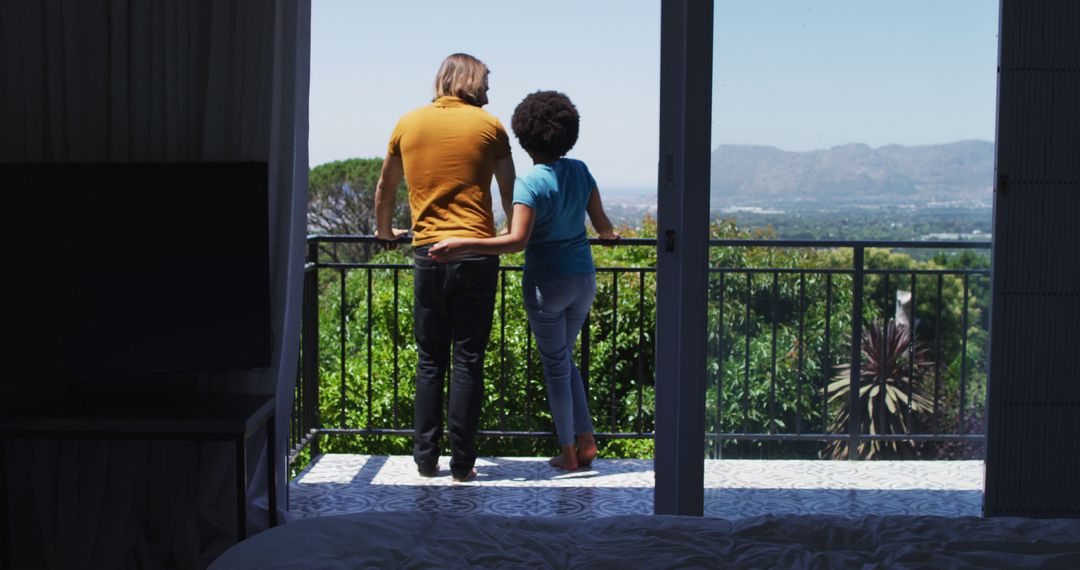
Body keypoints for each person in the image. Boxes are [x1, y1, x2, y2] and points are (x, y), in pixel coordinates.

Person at [429, 90, 620, 470]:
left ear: (524, 136)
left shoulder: (529, 183)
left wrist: (460, 245)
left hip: (546, 285)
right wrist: (611, 237)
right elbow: (604, 229)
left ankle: (567, 452)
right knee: (564, 358)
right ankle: (586, 439)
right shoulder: (581, 170)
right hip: (583, 279)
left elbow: (516, 242)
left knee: (555, 365)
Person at [374, 53, 515, 482]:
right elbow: (510, 193)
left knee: (430, 359)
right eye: (486, 83)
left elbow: (386, 186)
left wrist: (384, 231)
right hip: (475, 253)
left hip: (428, 254)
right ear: (470, 81)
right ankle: (463, 464)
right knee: (468, 359)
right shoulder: (490, 127)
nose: (489, 92)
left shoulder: (408, 123)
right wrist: (509, 236)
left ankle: (424, 459)